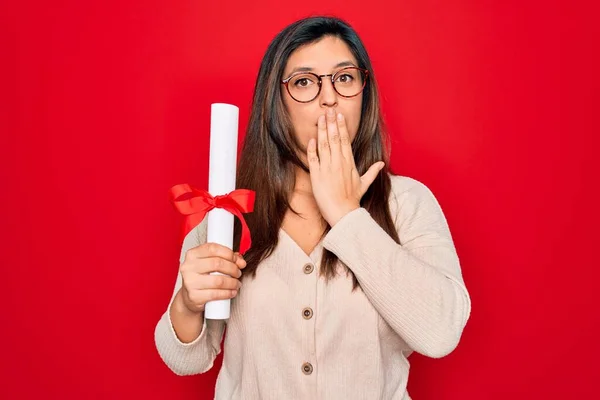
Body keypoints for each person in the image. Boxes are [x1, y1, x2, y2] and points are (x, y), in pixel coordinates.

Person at [155, 15, 471, 400]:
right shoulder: (230, 211)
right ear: (276, 104)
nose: (329, 97)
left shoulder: (406, 202)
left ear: (364, 93)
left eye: (345, 78)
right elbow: (186, 360)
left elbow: (440, 332)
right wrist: (188, 304)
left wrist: (346, 215)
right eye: (304, 82)